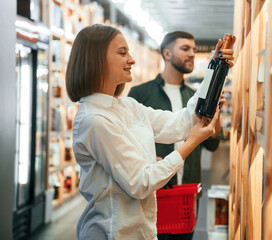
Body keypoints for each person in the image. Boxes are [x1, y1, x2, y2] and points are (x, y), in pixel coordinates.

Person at [65, 24, 234, 240]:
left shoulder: (127, 106)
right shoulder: (94, 120)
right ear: (97, 59)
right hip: (113, 233)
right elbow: (141, 182)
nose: (132, 59)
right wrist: (191, 143)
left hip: (143, 230)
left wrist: (214, 68)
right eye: (122, 52)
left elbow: (178, 123)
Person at [128, 31, 234, 240]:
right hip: (155, 194)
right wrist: (148, 160)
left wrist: (216, 109)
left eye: (194, 49)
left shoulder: (195, 95)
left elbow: (212, 145)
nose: (192, 54)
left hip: (187, 195)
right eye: (185, 49)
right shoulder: (140, 94)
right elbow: (129, 142)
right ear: (166, 53)